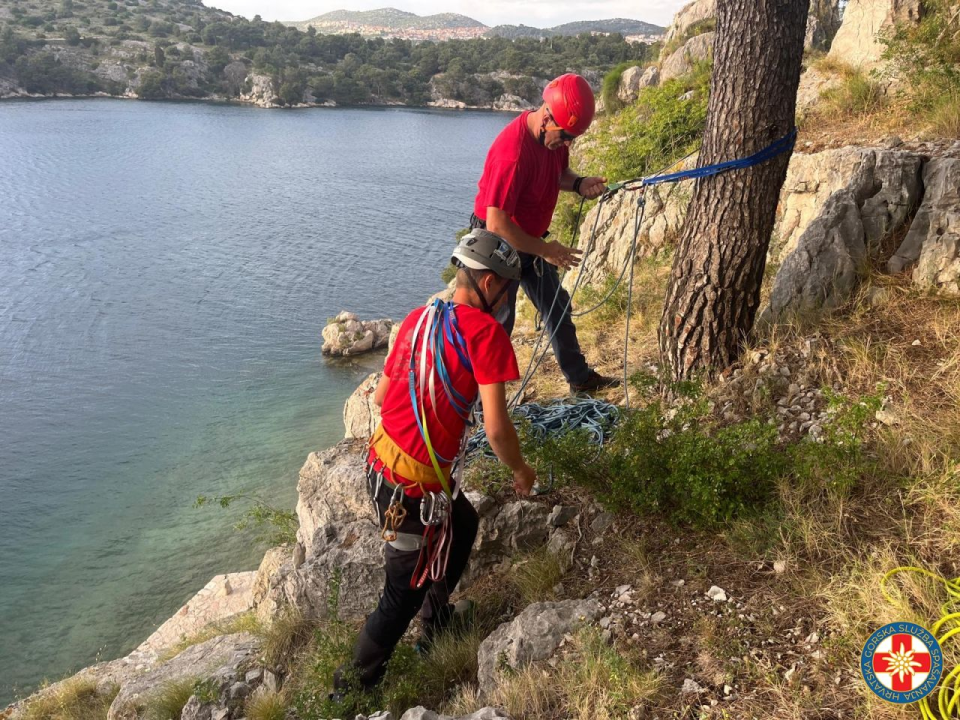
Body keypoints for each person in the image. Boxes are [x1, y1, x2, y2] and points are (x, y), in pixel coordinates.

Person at [333, 229, 538, 695]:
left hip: (385, 465)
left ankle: (438, 619)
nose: (509, 301)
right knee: (398, 595)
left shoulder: (417, 319)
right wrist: (521, 471)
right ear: (490, 285)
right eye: (509, 290)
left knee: (461, 524)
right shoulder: (485, 334)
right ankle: (350, 690)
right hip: (411, 487)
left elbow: (383, 396)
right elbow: (497, 430)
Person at [471, 73, 619, 394]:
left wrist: (579, 183)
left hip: (530, 242)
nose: (566, 144)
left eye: (571, 140)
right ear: (547, 117)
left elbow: (559, 173)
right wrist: (544, 249)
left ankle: (579, 379)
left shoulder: (553, 140)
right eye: (565, 136)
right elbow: (497, 223)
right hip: (493, 245)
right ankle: (481, 411)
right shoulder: (512, 153)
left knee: (557, 307)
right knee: (497, 326)